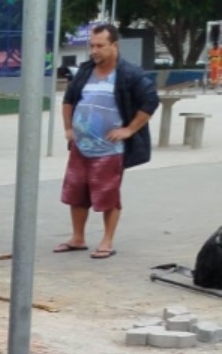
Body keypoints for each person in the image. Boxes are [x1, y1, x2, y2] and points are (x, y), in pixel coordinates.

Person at [54, 24, 158, 260]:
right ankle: (77, 238)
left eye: (100, 45)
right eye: (92, 45)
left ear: (114, 46)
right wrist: (69, 129)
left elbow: (150, 101)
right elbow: (69, 100)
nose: (94, 50)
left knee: (107, 194)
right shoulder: (85, 71)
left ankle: (106, 241)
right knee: (76, 193)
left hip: (110, 149)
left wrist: (129, 129)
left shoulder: (130, 74)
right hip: (81, 146)